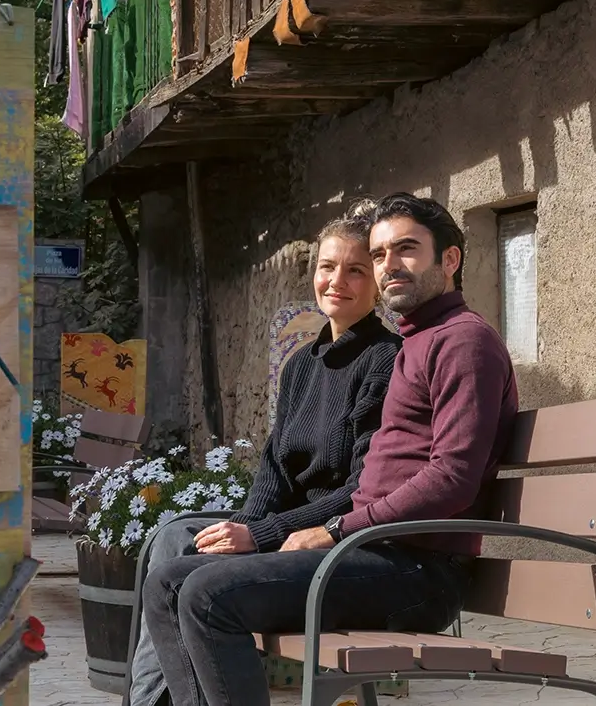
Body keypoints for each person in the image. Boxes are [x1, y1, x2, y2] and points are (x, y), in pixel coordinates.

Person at [142, 192, 520, 706]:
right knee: (168, 583)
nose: (390, 265)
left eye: (406, 249)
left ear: (449, 259)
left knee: (207, 596)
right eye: (380, 253)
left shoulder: (462, 341)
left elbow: (453, 479)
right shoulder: (418, 340)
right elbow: (285, 468)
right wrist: (278, 530)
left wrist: (335, 529)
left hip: (417, 570)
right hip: (374, 552)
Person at [128, 206, 402, 706]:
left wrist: (260, 535)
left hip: (332, 540)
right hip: (285, 533)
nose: (337, 281)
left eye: (356, 270)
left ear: (378, 286)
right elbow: (274, 470)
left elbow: (362, 488)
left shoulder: (385, 359)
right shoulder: (301, 366)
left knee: (179, 582)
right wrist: (241, 530)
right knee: (173, 537)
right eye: (327, 266)